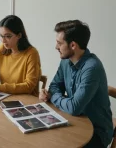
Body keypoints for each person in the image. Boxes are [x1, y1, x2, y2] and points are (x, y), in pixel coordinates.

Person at [39, 20, 113, 148]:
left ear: (73, 45)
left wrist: (53, 96)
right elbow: (54, 87)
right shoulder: (65, 61)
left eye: (59, 43)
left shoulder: (92, 68)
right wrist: (54, 95)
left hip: (97, 132)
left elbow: (74, 107)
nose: (56, 47)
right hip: (73, 121)